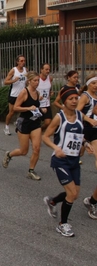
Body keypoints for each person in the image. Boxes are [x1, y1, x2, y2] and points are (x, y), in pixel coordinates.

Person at [42, 86, 96, 237]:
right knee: (71, 193)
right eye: (70, 99)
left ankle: (52, 201)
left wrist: (86, 144)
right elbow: (45, 137)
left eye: (75, 98)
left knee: (75, 194)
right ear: (64, 101)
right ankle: (62, 224)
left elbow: (79, 136)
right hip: (60, 161)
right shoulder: (59, 118)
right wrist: (55, 148)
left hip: (74, 160)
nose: (74, 101)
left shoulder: (79, 115)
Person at [2, 71, 45, 180]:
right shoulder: (24, 92)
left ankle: (31, 171)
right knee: (24, 151)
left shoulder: (38, 93)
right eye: (35, 80)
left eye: (38, 80)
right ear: (29, 81)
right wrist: (28, 108)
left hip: (35, 123)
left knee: (36, 148)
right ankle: (9, 155)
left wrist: (41, 109)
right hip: (24, 122)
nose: (37, 83)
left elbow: (35, 108)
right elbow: (15, 107)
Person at [77, 74, 97, 220]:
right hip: (83, 131)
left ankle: (92, 202)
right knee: (78, 154)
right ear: (89, 84)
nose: (96, 86)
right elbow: (77, 112)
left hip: (95, 132)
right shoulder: (85, 96)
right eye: (94, 83)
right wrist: (88, 118)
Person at [3, 55, 27, 135]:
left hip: (22, 94)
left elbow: (26, 82)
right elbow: (5, 82)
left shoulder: (25, 70)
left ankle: (18, 124)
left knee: (22, 111)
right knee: (12, 112)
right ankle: (6, 127)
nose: (23, 62)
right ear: (17, 62)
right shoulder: (13, 70)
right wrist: (14, 80)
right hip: (14, 94)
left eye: (24, 61)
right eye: (21, 61)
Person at [37, 63, 54, 130]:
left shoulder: (50, 78)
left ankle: (40, 130)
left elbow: (49, 87)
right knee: (36, 122)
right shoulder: (37, 79)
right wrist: (37, 96)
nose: (48, 71)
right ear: (41, 70)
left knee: (48, 122)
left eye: (49, 69)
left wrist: (50, 92)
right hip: (37, 104)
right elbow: (31, 90)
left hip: (46, 104)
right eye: (46, 69)